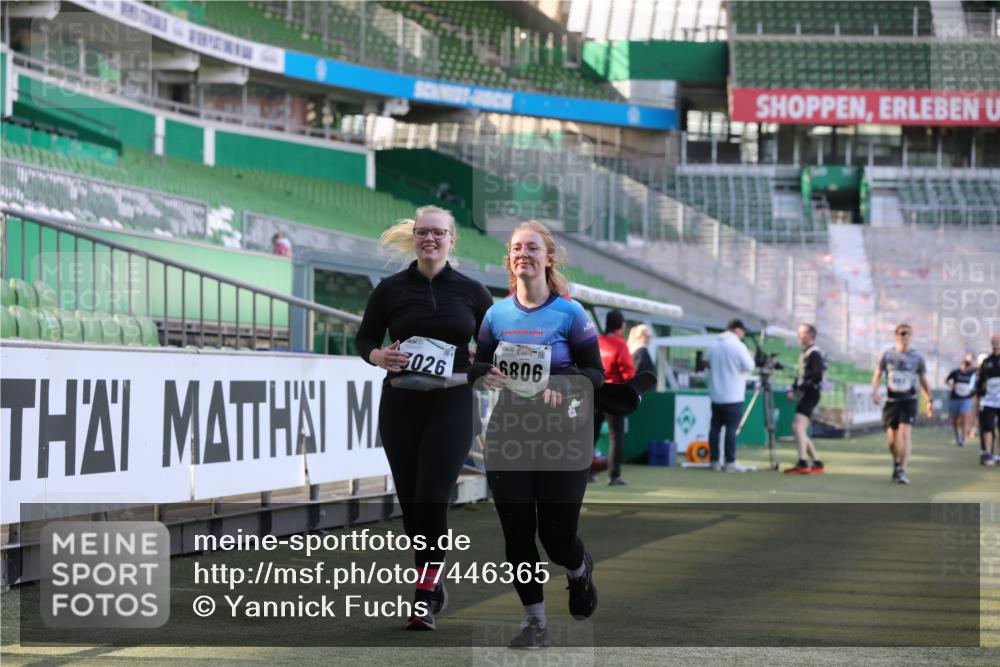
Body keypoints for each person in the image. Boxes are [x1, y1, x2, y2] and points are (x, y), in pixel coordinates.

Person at [355, 205, 493, 631]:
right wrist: (379, 356)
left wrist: (479, 365)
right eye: (422, 232)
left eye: (438, 232)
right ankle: (431, 579)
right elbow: (364, 338)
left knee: (432, 497)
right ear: (414, 237)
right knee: (413, 505)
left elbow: (492, 347)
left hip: (452, 406)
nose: (429, 238)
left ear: (452, 239)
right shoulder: (390, 289)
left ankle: (423, 597)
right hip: (400, 405)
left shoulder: (472, 292)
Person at [470, 220, 604, 649]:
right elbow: (479, 367)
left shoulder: (570, 313)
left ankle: (578, 570)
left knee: (557, 536)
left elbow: (596, 374)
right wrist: (482, 374)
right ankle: (535, 623)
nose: (523, 254)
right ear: (509, 259)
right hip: (509, 431)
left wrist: (564, 385)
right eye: (516, 248)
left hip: (563, 434)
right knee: (517, 532)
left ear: (548, 258)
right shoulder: (495, 315)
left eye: (531, 247)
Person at [871, 323, 933, 485]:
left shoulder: (917, 357)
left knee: (904, 433)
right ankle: (897, 464)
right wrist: (875, 392)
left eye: (908, 334)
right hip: (891, 402)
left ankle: (902, 470)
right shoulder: (887, 355)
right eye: (902, 333)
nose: (905, 336)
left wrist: (929, 399)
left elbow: (923, 379)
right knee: (892, 440)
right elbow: (877, 374)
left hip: (909, 400)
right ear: (896, 335)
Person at [707, 319, 756, 472]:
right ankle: (730, 461)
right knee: (731, 429)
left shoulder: (714, 345)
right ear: (737, 330)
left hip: (716, 395)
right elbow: (750, 366)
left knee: (715, 429)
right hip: (734, 395)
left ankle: (714, 460)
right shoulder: (738, 346)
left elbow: (708, 367)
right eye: (743, 331)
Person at [596, 309, 635, 486]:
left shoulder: (598, 341)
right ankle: (614, 475)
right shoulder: (620, 344)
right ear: (621, 325)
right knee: (615, 435)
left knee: (591, 434)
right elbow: (628, 372)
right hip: (614, 393)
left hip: (595, 390)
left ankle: (586, 473)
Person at [784, 323, 826, 474]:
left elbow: (817, 375)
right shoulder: (807, 352)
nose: (799, 336)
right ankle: (817, 462)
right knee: (798, 429)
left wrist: (800, 389)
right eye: (799, 332)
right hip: (807, 393)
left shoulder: (814, 353)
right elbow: (802, 375)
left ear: (810, 335)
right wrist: (793, 388)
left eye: (802, 333)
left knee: (798, 428)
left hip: (811, 393)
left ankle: (802, 463)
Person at [974, 335, 1000, 466]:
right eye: (994, 342)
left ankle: (998, 455)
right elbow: (980, 381)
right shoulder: (986, 361)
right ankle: (988, 452)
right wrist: (979, 397)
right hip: (989, 399)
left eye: (998, 342)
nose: (996, 344)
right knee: (988, 426)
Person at [945, 355, 977, 447]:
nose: (966, 368)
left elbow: (979, 371)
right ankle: (958, 436)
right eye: (964, 366)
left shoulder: (972, 374)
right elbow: (946, 380)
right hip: (955, 398)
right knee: (956, 420)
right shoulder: (955, 372)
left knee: (965, 418)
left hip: (966, 399)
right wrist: (952, 386)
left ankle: (963, 439)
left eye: (968, 366)